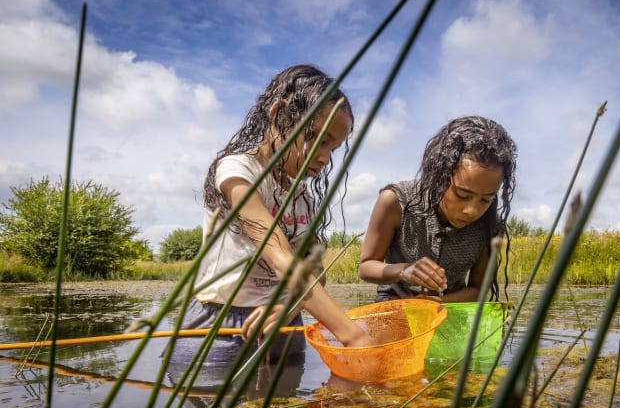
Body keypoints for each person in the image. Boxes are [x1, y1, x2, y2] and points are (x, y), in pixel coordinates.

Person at [170, 64, 371, 367]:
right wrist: (353, 336)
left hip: (285, 326)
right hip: (221, 328)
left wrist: (290, 306)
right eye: (318, 137)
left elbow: (316, 270)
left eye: (334, 148)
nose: (325, 157)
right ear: (279, 115)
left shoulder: (302, 197)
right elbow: (279, 255)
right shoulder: (237, 171)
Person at [358, 115, 517, 303]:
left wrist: (436, 304)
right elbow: (366, 267)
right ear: (439, 178)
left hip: (452, 306)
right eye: (462, 195)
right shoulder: (394, 202)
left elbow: (477, 289)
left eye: (486, 200)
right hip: (395, 302)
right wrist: (404, 270)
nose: (472, 211)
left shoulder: (489, 224)